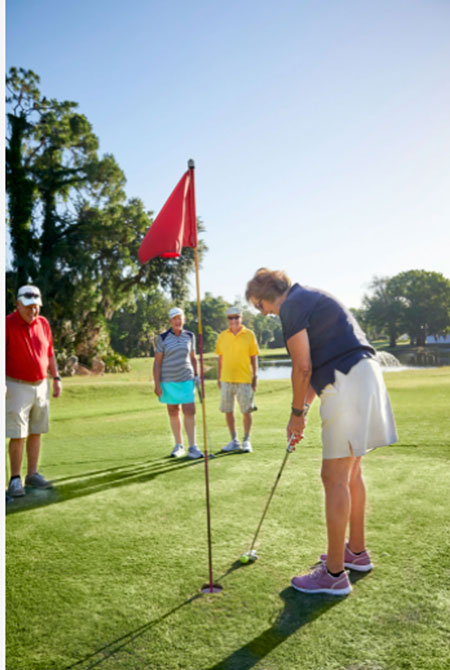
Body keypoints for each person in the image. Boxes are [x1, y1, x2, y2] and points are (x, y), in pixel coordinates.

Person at [245, 268, 397, 596]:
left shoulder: (291, 307)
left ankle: (334, 574)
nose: (264, 313)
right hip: (364, 375)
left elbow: (302, 367)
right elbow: (316, 362)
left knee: (334, 477)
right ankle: (355, 552)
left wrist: (296, 414)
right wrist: (306, 408)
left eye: (259, 306)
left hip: (346, 380)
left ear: (264, 296)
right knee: (351, 472)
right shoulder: (309, 297)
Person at [6, 285, 62, 497]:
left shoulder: (43, 323)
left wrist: (56, 378)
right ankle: (14, 480)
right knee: (18, 434)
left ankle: (32, 474)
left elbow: (49, 353)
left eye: (36, 307)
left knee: (36, 430)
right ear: (18, 304)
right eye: (28, 307)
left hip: (41, 385)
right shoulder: (7, 324)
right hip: (16, 385)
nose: (33, 311)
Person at [153, 307, 203, 459]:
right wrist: (157, 384)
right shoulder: (162, 338)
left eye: (180, 318)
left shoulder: (189, 336)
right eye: (174, 318)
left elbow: (193, 358)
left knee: (190, 410)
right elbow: (157, 362)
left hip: (186, 378)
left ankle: (193, 446)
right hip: (168, 380)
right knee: (173, 411)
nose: (177, 321)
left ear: (184, 320)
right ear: (170, 321)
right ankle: (178, 445)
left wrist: (197, 375)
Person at [215, 306, 259, 453]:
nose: (233, 320)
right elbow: (220, 358)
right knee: (228, 411)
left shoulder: (249, 334)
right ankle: (234, 440)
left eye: (236, 317)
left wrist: (255, 376)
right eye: (230, 318)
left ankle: (246, 440)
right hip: (226, 379)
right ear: (227, 320)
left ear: (241, 318)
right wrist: (218, 377)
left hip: (245, 379)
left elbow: (254, 358)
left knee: (246, 411)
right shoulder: (222, 336)